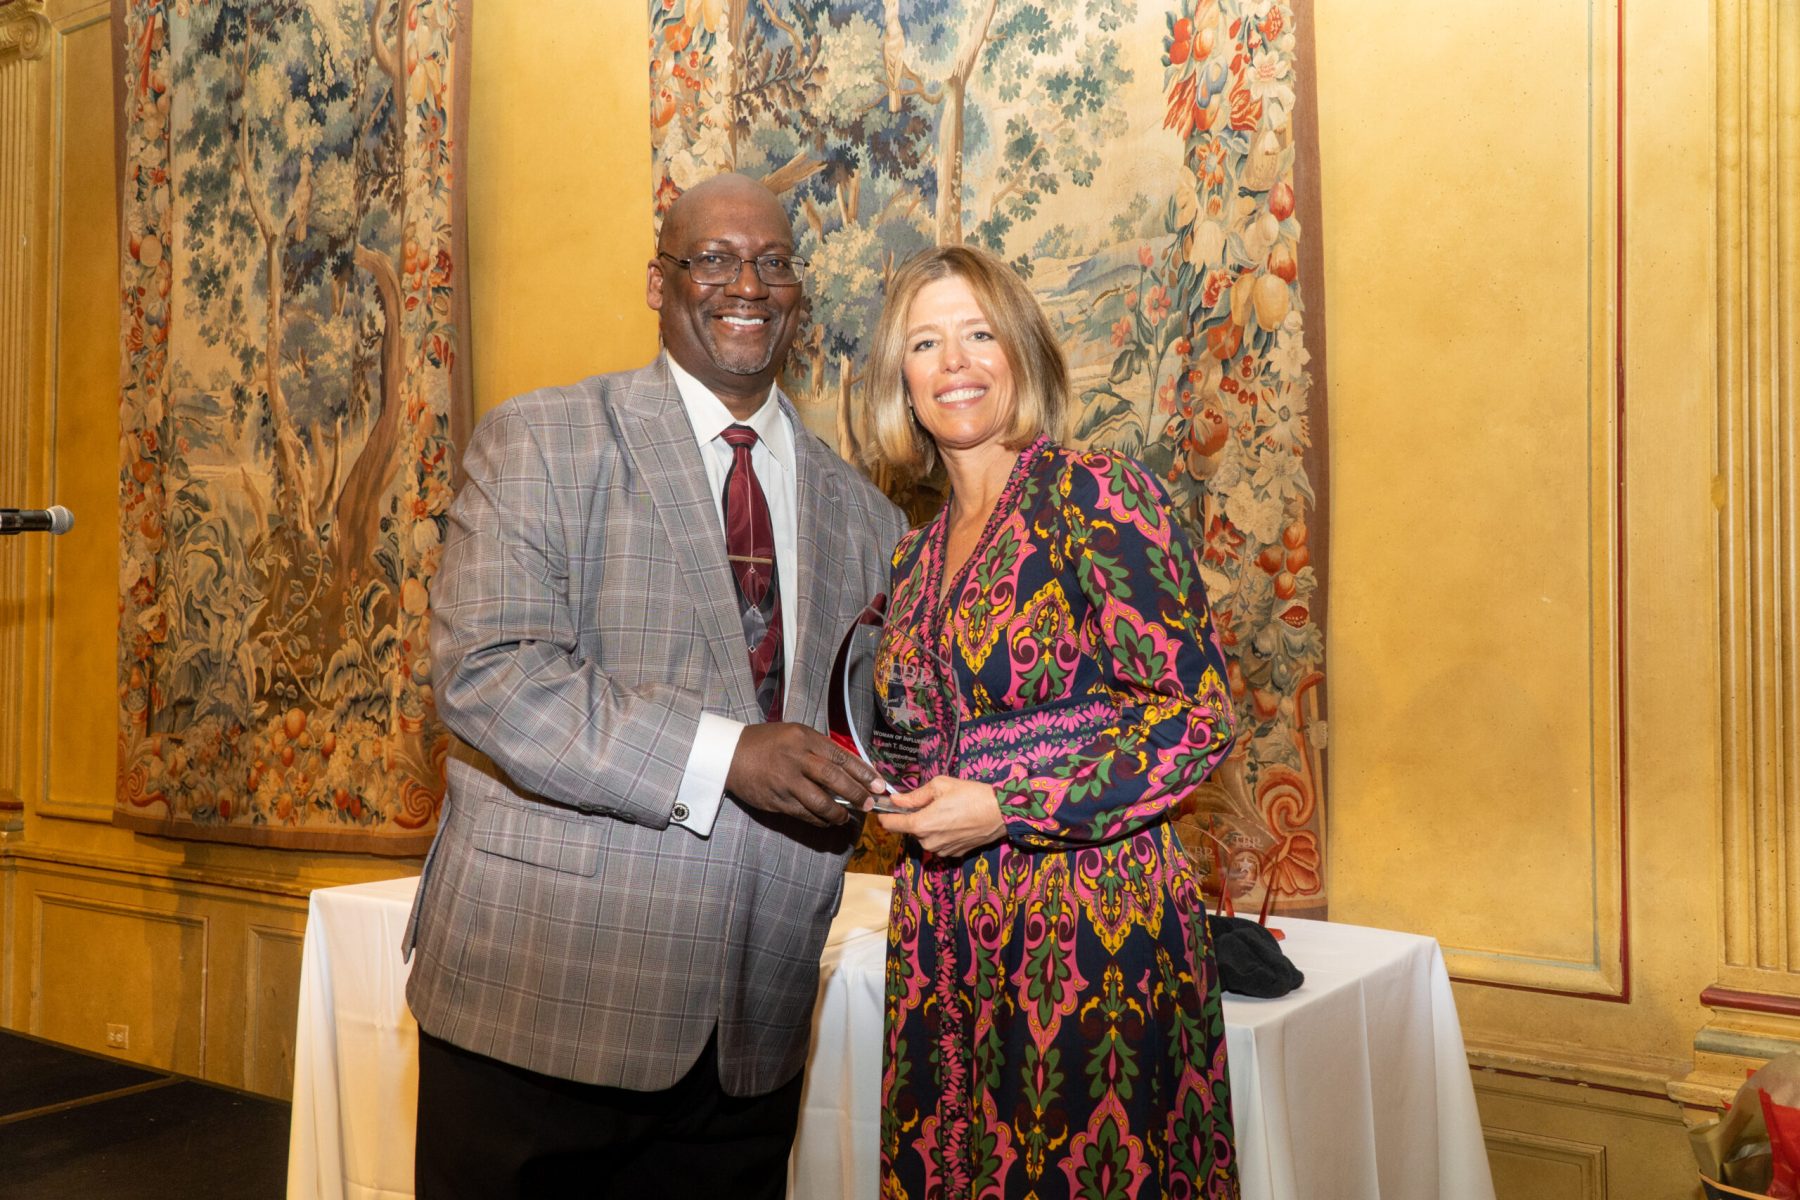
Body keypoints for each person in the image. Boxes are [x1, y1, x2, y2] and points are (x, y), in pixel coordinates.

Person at [403, 172, 907, 1200]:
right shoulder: (543, 438)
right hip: (542, 1001)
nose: (747, 285)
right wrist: (724, 756)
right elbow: (490, 674)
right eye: (713, 259)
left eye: (773, 263)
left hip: (751, 1035)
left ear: (799, 294)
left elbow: (877, 728)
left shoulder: (870, 518)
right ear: (657, 282)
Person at [860, 245, 1241, 1199]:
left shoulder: (1094, 495)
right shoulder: (912, 557)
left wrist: (1009, 806)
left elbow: (1196, 719)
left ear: (1022, 355)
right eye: (926, 344)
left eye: (979, 335)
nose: (955, 363)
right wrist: (883, 788)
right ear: (902, 382)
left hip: (1089, 927)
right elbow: (927, 733)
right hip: (944, 932)